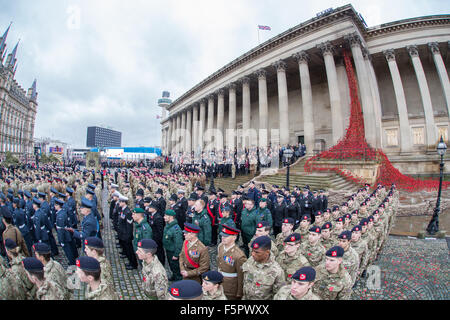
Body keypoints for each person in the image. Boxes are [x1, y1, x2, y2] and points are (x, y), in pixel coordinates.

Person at [241, 236, 285, 300]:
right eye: (252, 251)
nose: (253, 254)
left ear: (267, 252)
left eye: (257, 252)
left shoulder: (276, 271)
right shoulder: (251, 260)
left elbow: (279, 294)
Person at [216, 224, 247, 300]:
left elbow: (241, 276)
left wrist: (239, 293)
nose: (223, 238)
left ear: (234, 237)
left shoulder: (239, 256)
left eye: (226, 236)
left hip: (231, 288)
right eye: (222, 235)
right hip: (220, 283)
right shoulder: (221, 247)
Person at [54, 198, 78, 265]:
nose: (54, 207)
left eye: (55, 205)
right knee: (69, 247)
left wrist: (61, 240)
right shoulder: (62, 212)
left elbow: (61, 230)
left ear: (58, 206)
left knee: (67, 250)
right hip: (67, 233)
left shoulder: (60, 216)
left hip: (64, 235)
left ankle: (72, 262)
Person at [117, 195, 137, 270]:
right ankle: (130, 262)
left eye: (120, 201)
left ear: (124, 202)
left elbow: (129, 226)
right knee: (127, 250)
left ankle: (133, 264)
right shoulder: (123, 210)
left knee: (130, 250)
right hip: (123, 233)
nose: (119, 203)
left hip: (126, 235)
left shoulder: (127, 212)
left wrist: (128, 236)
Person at [163, 209, 183, 281]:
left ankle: (178, 280)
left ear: (171, 217)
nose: (164, 217)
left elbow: (179, 243)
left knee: (176, 267)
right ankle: (174, 275)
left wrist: (176, 254)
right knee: (171, 266)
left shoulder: (176, 229)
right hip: (169, 250)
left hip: (173, 251)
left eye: (165, 215)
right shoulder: (168, 225)